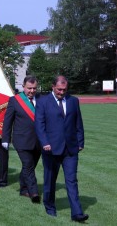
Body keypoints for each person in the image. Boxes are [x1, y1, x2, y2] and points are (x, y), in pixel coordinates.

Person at [35, 75, 88, 222]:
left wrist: (80, 142)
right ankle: (50, 206)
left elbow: (78, 123)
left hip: (71, 149)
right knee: (50, 179)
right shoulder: (43, 102)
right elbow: (39, 125)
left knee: (71, 180)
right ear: (53, 86)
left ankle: (77, 213)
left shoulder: (73, 101)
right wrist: (45, 142)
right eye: (59, 89)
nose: (61, 92)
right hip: (50, 149)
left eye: (64, 89)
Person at [2, 75, 41, 203]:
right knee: (28, 165)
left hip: (38, 141)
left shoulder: (41, 99)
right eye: (29, 88)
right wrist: (5, 139)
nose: (32, 91)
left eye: (34, 88)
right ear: (23, 87)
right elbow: (8, 121)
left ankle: (23, 188)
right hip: (21, 141)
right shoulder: (14, 100)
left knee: (30, 166)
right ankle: (34, 192)